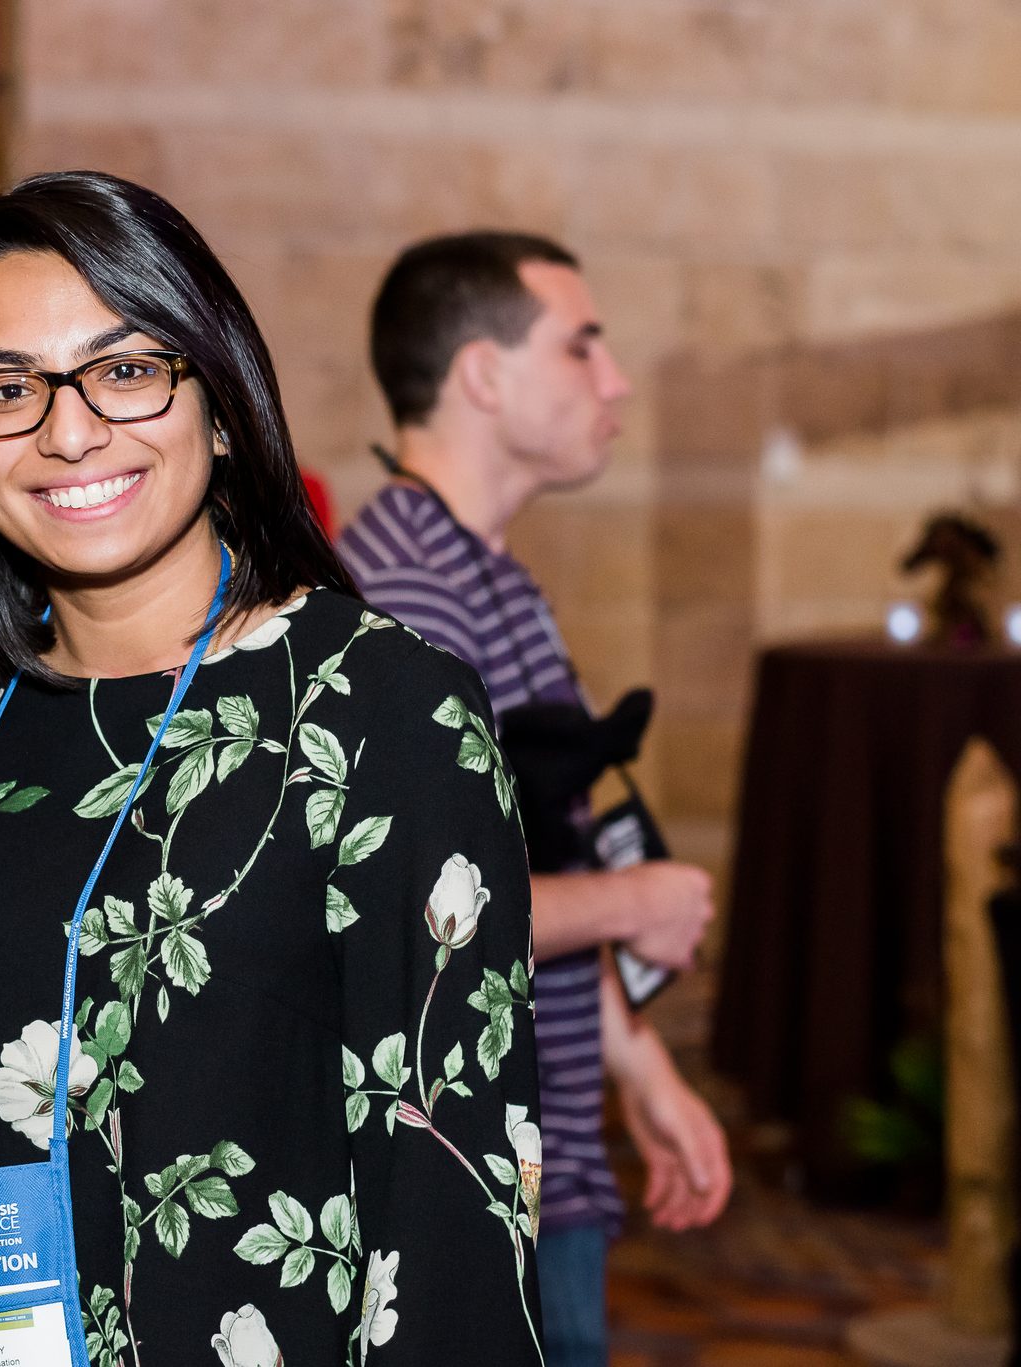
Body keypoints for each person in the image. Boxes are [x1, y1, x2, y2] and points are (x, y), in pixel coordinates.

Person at [0, 171, 543, 1366]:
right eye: (4, 389)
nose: (67, 429)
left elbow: (453, 1202)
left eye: (126, 369)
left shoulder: (377, 712)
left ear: (221, 398)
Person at [340, 231, 735, 1367]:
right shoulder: (404, 599)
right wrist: (628, 903)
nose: (613, 383)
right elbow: (414, 908)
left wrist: (643, 1073)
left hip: (540, 1144)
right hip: (458, 1171)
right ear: (482, 375)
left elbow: (531, 847)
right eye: (581, 347)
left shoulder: (489, 573)